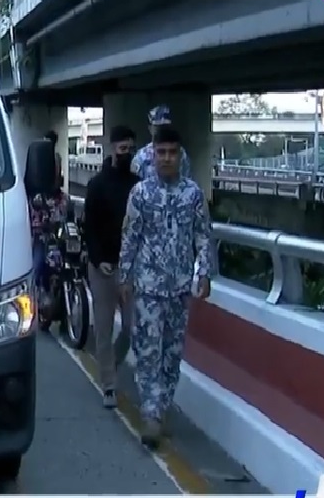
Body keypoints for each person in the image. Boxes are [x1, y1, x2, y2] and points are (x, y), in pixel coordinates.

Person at [118, 125, 211, 448]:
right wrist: (125, 276)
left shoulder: (193, 194)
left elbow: (202, 236)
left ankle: (162, 406)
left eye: (172, 153)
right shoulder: (141, 194)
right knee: (148, 353)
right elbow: (130, 238)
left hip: (180, 289)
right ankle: (151, 414)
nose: (167, 158)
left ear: (180, 155)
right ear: (153, 154)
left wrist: (205, 274)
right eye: (161, 153)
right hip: (148, 288)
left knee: (171, 355)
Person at [83, 125, 139, 409]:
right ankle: (108, 385)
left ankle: (110, 366)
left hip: (130, 269)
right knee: (103, 328)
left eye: (131, 149)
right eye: (122, 148)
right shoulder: (97, 185)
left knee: (131, 328)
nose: (127, 153)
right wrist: (98, 259)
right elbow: (88, 227)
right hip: (102, 267)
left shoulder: (138, 185)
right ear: (113, 148)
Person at [28, 149, 69, 301]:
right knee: (36, 267)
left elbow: (69, 219)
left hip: (60, 240)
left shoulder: (65, 199)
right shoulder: (37, 197)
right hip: (42, 239)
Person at [132, 106, 191, 180]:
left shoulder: (181, 153)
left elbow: (187, 180)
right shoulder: (141, 156)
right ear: (150, 128)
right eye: (158, 127)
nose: (162, 130)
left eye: (165, 127)